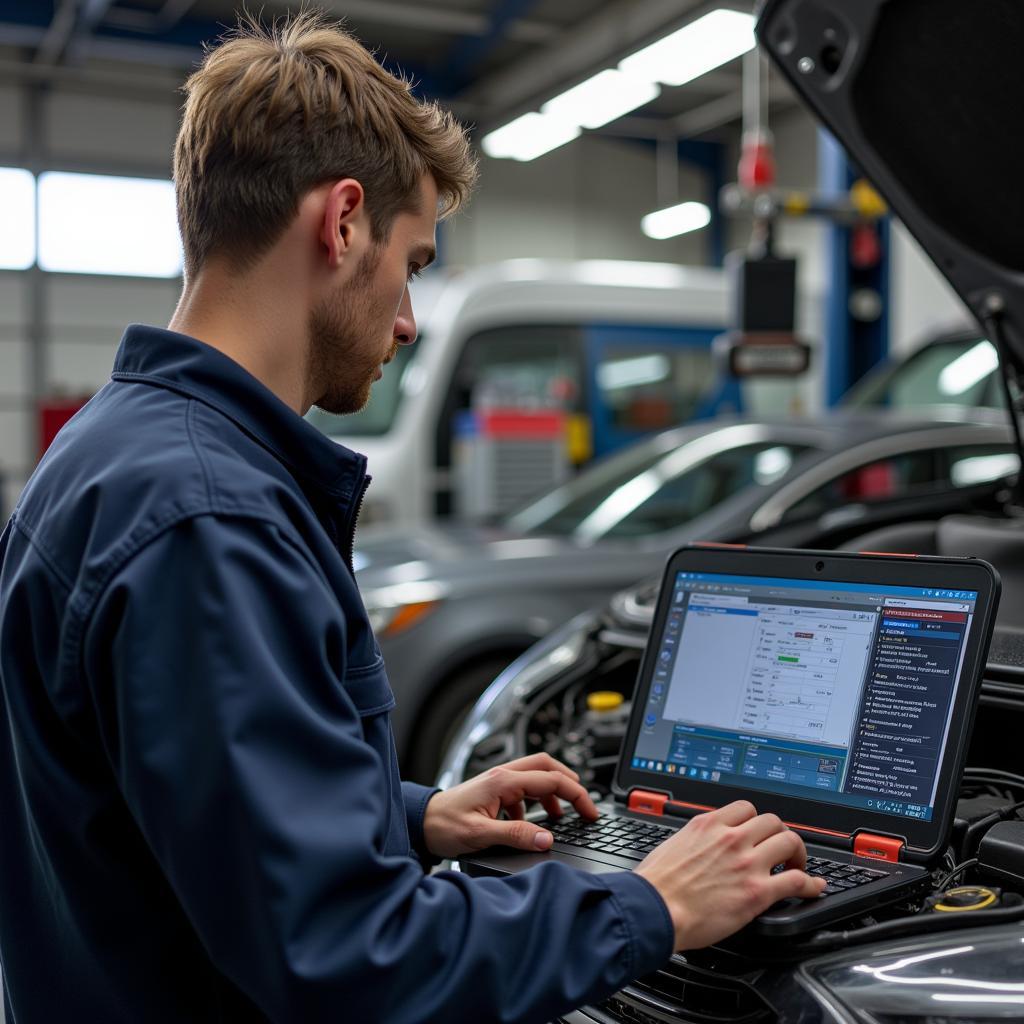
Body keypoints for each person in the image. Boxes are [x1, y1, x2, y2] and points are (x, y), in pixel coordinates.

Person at [0, 12, 824, 1023]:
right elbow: (348, 958)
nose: (404, 319)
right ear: (342, 222)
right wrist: (649, 900)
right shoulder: (208, 518)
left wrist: (416, 814)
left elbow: (183, 801)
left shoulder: (105, 449)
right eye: (416, 263)